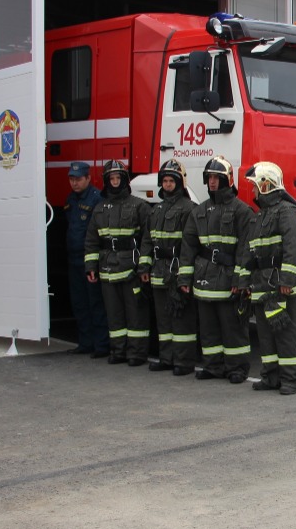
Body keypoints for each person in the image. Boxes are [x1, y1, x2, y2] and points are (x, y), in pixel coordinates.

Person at [180, 157, 255, 383]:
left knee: (233, 327)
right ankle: (213, 366)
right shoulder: (200, 210)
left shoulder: (242, 211)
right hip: (204, 279)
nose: (212, 182)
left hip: (228, 278)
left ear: (227, 180)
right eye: (209, 178)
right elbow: (189, 245)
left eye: (217, 178)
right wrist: (184, 276)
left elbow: (246, 248)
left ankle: (237, 368)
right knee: (209, 328)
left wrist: (240, 280)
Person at [237, 161, 296, 395]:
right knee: (266, 336)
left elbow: (294, 247)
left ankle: (293, 380)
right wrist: (243, 281)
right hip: (261, 286)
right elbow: (249, 253)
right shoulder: (259, 217)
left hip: (280, 286)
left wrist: (286, 281)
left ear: (266, 185)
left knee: (287, 334)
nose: (253, 190)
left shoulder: (288, 212)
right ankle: (271, 376)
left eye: (256, 185)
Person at [84, 159, 151, 366]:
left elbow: (147, 240)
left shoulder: (139, 206)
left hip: (131, 270)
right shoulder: (100, 208)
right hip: (107, 270)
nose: (114, 181)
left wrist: (143, 266)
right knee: (114, 315)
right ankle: (118, 351)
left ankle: (136, 354)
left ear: (124, 179)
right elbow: (92, 241)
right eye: (111, 178)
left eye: (117, 177)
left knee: (135, 315)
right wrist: (90, 267)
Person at [138, 159, 197, 376]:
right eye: (165, 180)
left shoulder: (189, 209)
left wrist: (184, 275)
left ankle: (184, 361)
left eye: (172, 180)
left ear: (180, 182)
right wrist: (144, 268)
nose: (168, 184)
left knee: (181, 319)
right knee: (163, 319)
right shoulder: (156, 210)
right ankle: (167, 358)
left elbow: (191, 245)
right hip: (158, 271)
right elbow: (147, 240)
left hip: (176, 271)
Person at [62, 162, 109, 358]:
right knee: (79, 303)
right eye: (72, 179)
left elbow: (97, 233)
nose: (75, 183)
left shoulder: (97, 199)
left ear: (88, 178)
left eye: (78, 179)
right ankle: (85, 343)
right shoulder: (70, 200)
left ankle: (101, 346)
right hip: (74, 260)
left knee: (95, 304)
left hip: (90, 260)